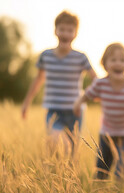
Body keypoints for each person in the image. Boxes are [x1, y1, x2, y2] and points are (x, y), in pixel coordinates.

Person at [21, 10, 97, 153]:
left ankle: (68, 175)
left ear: (76, 33)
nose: (65, 34)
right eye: (62, 29)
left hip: (75, 111)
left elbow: (95, 80)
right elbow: (38, 79)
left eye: (70, 30)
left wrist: (92, 96)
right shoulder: (46, 55)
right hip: (54, 111)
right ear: (55, 31)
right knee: (57, 144)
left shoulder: (81, 57)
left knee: (73, 153)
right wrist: (26, 103)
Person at [73, 43, 124, 181]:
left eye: (123, 60)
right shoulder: (101, 84)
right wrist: (78, 103)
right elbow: (87, 95)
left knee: (120, 170)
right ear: (104, 63)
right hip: (106, 134)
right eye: (113, 60)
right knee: (102, 170)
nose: (118, 64)